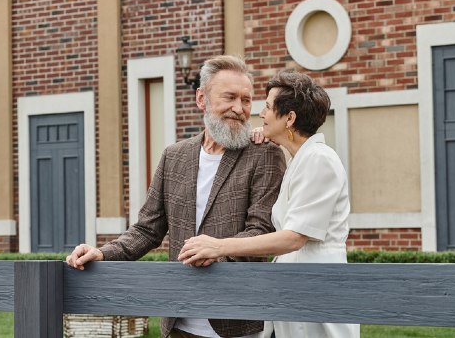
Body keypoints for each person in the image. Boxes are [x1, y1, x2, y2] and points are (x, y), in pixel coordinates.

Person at [66, 55, 286, 338]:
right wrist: (103, 253)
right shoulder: (174, 156)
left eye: (246, 100)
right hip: (178, 321)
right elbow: (147, 229)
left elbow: (261, 231)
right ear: (201, 99)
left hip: (237, 322)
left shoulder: (264, 154)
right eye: (229, 97)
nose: (239, 108)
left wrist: (217, 249)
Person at [178, 69, 360, 338]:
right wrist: (256, 138)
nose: (260, 115)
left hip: (316, 292)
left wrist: (217, 246)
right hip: (290, 292)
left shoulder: (320, 159)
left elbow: (293, 238)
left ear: (290, 118)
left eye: (266, 107)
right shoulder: (297, 159)